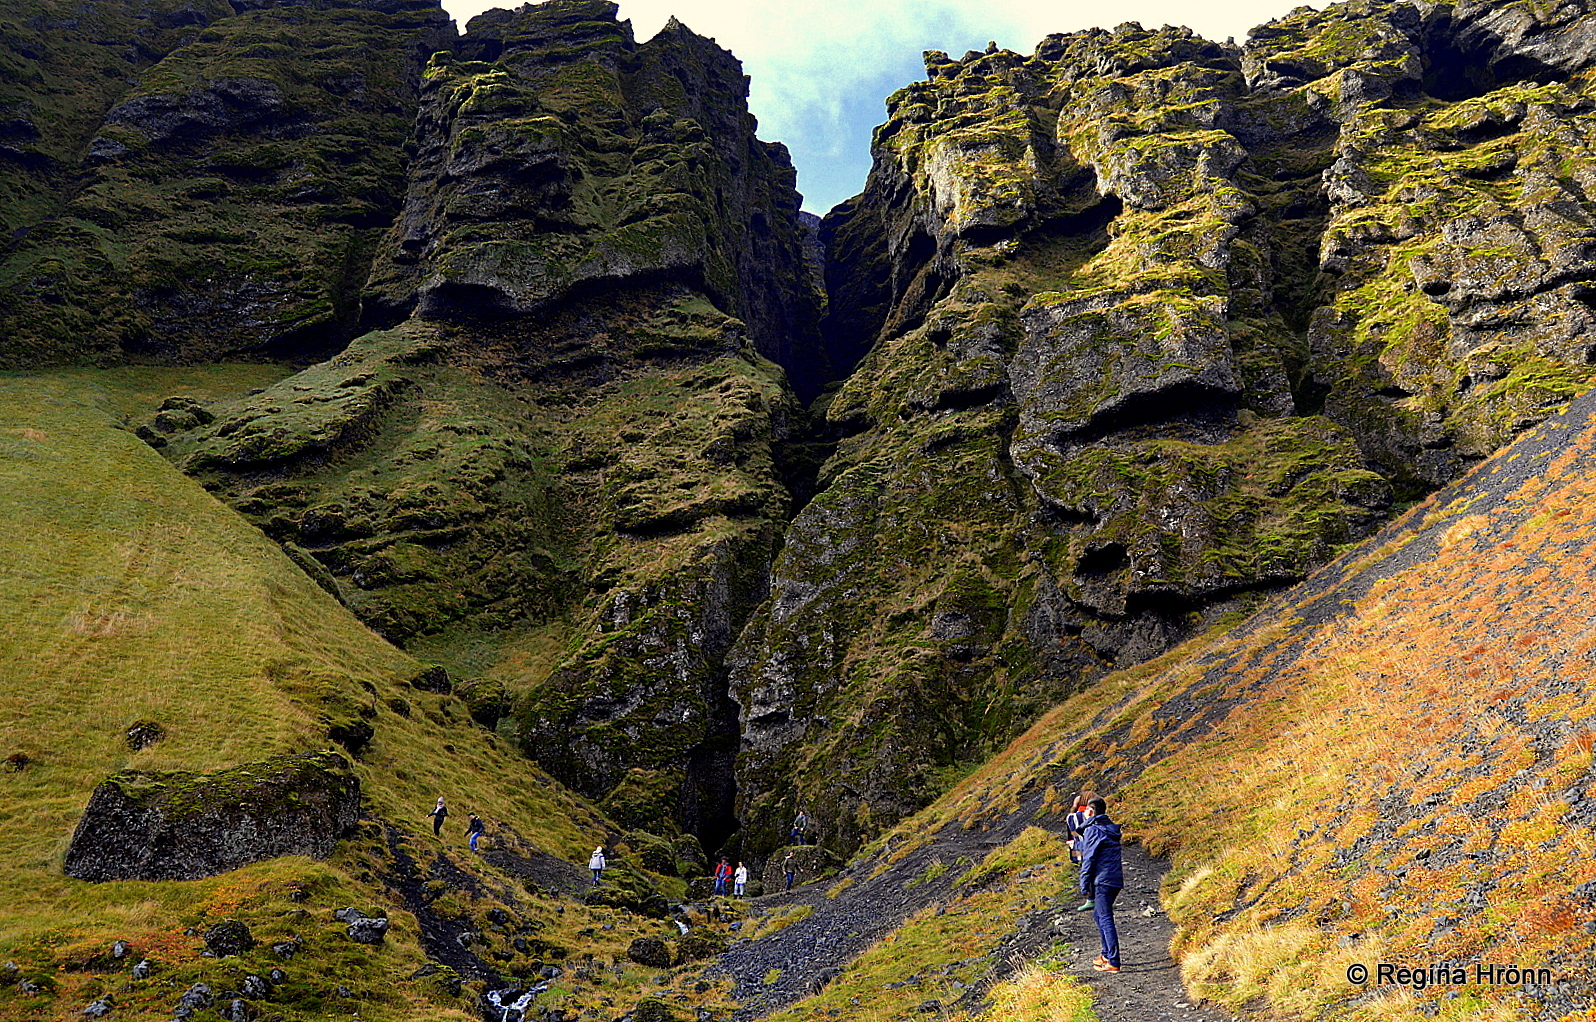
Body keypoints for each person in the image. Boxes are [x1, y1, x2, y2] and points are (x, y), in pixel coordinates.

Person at [1077, 795, 1124, 973]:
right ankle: (1106, 954)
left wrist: (1084, 884)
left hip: (1102, 880)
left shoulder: (1093, 830)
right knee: (1099, 914)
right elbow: (1097, 848)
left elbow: (1089, 859)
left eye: (1085, 810)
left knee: (1104, 918)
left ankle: (1113, 960)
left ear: (1090, 811)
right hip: (1114, 879)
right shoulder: (1107, 828)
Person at [1065, 792, 1094, 911]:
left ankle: (1090, 899)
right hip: (1092, 848)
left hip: (1079, 850)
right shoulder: (1091, 815)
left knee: (1086, 875)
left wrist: (1074, 805)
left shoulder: (1071, 817)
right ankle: (1101, 900)